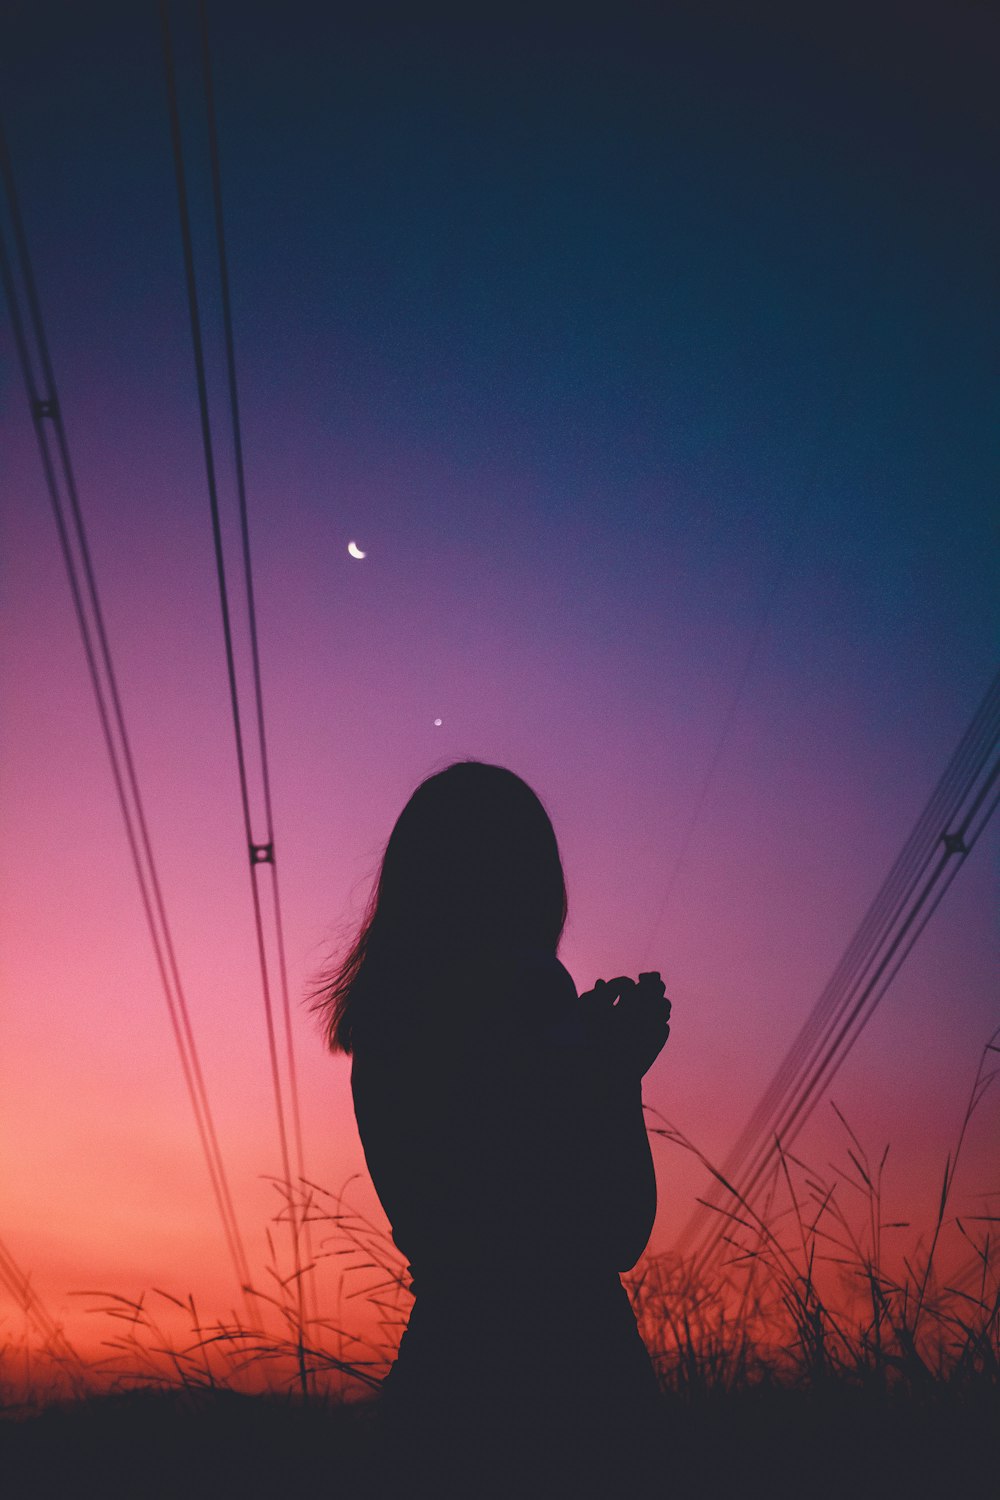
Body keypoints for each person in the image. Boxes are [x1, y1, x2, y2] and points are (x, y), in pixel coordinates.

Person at [315, 761, 671, 1497]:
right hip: (573, 1386)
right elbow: (615, 1232)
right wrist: (617, 1076)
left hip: (443, 1387)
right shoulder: (532, 992)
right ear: (527, 883)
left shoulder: (383, 1032)